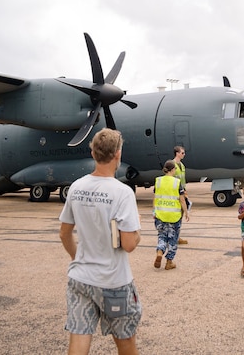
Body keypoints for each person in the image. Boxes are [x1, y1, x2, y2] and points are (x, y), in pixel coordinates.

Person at [58, 129, 142, 355]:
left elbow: (64, 233)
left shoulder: (76, 188)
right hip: (113, 281)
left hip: (81, 279)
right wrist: (137, 232)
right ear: (118, 154)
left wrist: (79, 259)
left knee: (79, 337)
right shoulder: (122, 193)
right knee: (125, 342)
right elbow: (129, 244)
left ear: (93, 153)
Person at [153, 160, 189, 270]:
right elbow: (182, 200)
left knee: (162, 236)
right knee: (173, 239)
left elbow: (155, 198)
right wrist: (186, 212)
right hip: (174, 215)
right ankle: (169, 262)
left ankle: (159, 252)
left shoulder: (158, 181)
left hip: (160, 214)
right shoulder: (177, 182)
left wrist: (154, 211)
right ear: (173, 169)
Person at [172, 146, 190, 245]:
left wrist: (185, 190)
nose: (184, 154)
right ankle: (173, 237)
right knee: (175, 215)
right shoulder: (172, 164)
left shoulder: (182, 165)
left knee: (181, 214)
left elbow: (182, 179)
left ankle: (177, 236)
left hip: (182, 191)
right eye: (182, 153)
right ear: (177, 153)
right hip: (175, 192)